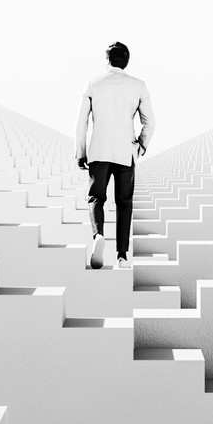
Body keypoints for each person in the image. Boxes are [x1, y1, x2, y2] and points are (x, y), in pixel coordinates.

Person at [74, 41, 155, 271]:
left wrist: (80, 153)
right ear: (126, 61)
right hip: (125, 153)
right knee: (124, 203)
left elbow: (81, 122)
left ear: (108, 60)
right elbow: (151, 122)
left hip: (99, 151)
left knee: (96, 198)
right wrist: (140, 146)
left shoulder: (93, 84)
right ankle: (122, 255)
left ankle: (98, 235)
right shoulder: (138, 85)